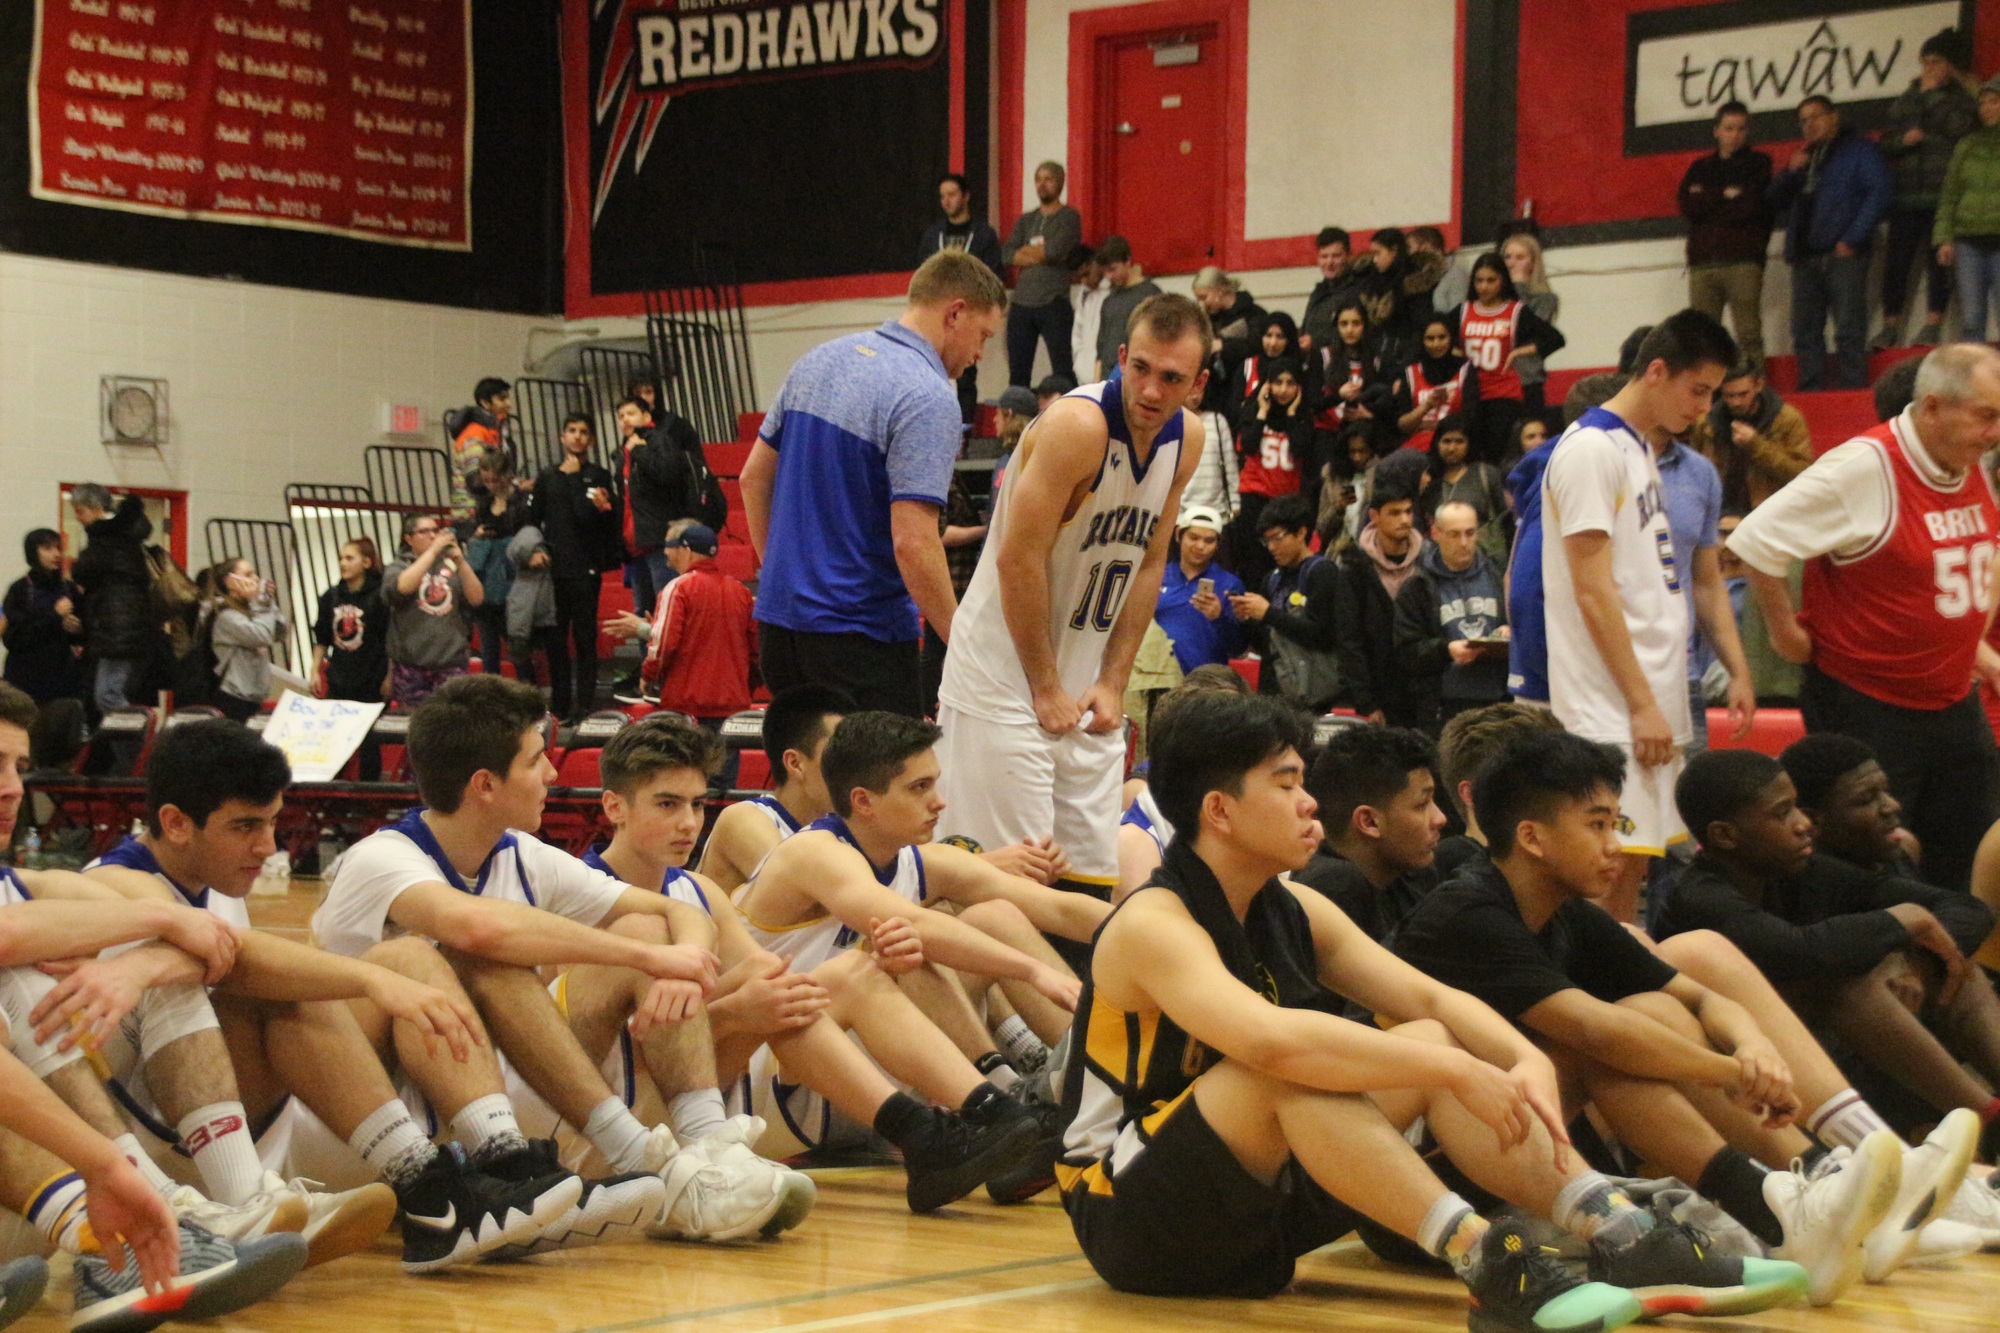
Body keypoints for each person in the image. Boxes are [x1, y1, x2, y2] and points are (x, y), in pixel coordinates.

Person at [1060, 692, 1802, 1322]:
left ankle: (1623, 1232)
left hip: (1256, 1205)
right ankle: (1488, 1262)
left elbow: (1432, 996)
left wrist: (1518, 1060)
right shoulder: (1156, 923)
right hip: (1129, 1211)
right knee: (1294, 1067)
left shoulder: (1295, 908)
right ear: (1220, 811)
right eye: (1287, 785)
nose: (1310, 802)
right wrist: (1451, 1068)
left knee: (1431, 1032)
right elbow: (1273, 1042)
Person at [1390, 730, 1955, 1307]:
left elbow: (1701, 999)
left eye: (1616, 825)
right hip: (1416, 1188)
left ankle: (1807, 1193)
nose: (1615, 846)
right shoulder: (1468, 914)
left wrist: (1752, 1045)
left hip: (1516, 1155)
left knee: (1654, 1007)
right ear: (1532, 837)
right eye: (1597, 825)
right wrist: (1732, 1073)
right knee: (1602, 1042)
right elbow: (1592, 1030)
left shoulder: (1564, 911)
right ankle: (1785, 1205)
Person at [68, 716, 592, 1270]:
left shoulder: (213, 880)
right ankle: (425, 1184)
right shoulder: (116, 884)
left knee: (407, 959)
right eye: (245, 826)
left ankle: (490, 1164)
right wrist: (371, 981)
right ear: (175, 823)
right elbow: (240, 958)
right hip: (161, 1146)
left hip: (254, 1116)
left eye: (273, 822)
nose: (268, 846)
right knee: (286, 984)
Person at [312, 674, 808, 1245]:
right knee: (477, 956)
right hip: (360, 1112)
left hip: (485, 1100)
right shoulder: (380, 858)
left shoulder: (522, 854)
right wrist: (651, 956)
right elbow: (480, 928)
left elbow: (674, 909)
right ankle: (644, 1159)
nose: (553, 773)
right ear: (485, 785)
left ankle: (706, 1150)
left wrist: (681, 958)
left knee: (645, 926)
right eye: (536, 760)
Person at [587, 715, 1051, 1210]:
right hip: (625, 1119)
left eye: (697, 804)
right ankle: (975, 1111)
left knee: (849, 971)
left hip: (731, 1091)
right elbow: (594, 1049)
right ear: (615, 807)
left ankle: (976, 1118)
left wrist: (754, 999)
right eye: (668, 804)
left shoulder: (698, 891)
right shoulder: (577, 895)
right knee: (835, 975)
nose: (688, 822)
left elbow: (764, 976)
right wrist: (737, 1009)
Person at [736, 712, 1098, 1182]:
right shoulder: (814, 852)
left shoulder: (917, 860)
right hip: (772, 1081)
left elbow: (1061, 909)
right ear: (863, 801)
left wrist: (1164, 928)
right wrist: (1032, 969)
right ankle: (1004, 1094)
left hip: (864, 1076)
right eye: (919, 788)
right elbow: (916, 922)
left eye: (935, 783)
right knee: (903, 942)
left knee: (992, 917)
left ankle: (1092, 1077)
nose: (939, 801)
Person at [937, 294, 1207, 907]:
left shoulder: (1185, 440)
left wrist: (1114, 680)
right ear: (1121, 357)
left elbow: (1150, 562)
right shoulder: (1078, 427)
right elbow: (1017, 559)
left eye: (1171, 378)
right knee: (1007, 895)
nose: (1151, 390)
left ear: (1198, 384)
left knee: (1089, 888)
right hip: (1004, 680)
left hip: (1082, 688)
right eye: (1140, 368)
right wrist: (1043, 686)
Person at [1727, 344, 2000, 892]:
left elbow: (1965, 560)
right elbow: (1756, 540)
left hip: (1952, 698)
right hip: (1869, 703)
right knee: (1872, 871)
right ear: (1932, 407)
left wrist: (1974, 647)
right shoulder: (1863, 467)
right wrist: (1786, 634)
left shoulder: (1966, 460)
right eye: (1986, 415)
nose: (1996, 432)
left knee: (1973, 858)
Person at [1660, 749, 2000, 1160]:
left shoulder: (1804, 871)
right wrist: (1902, 922)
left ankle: (1989, 1118)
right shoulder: (1700, 897)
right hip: (1755, 1082)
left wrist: (1909, 961)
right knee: (1845, 986)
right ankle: (1988, 1122)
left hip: (1842, 1058)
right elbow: (1800, 952)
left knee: (1953, 967)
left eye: (1797, 807)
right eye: (1783, 813)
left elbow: (1966, 909)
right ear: (1725, 836)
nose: (1804, 824)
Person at [1541, 312, 1753, 919]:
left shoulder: (1637, 446)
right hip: (1612, 708)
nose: (1705, 408)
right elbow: (1592, 591)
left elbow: (1672, 581)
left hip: (1655, 696)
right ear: (1656, 371)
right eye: (1698, 390)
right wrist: (1639, 703)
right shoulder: (1589, 451)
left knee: (1633, 875)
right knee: (1603, 882)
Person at [742, 251, 1006, 718]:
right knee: (889, 769)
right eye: (983, 335)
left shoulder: (817, 360)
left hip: (780, 631)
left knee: (805, 768)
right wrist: (964, 644)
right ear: (955, 313)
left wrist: (784, 581)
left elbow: (752, 479)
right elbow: (913, 541)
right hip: (861, 638)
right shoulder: (927, 396)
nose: (980, 353)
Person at [605, 523, 755, 773]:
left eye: (669, 546)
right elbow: (754, 650)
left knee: (687, 778)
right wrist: (742, 686)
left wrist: (648, 675)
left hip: (688, 706)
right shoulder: (740, 591)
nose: (665, 552)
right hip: (730, 706)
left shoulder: (678, 588)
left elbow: (665, 643)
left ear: (686, 549)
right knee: (723, 785)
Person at [1769, 97, 1893, 390]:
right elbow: (1773, 200)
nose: (1810, 124)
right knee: (1804, 330)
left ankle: (1853, 390)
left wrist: (1853, 237)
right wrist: (1791, 171)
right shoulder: (1805, 157)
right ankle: (1811, 392)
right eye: (1804, 120)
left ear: (1834, 117)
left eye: (1816, 116)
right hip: (1805, 256)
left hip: (1843, 254)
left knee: (1849, 328)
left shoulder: (1860, 150)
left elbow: (1880, 191)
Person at [1293, 726, 1445, 943]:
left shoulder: (1409, 878)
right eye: (1422, 804)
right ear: (1369, 821)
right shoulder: (1334, 886)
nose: (1440, 818)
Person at [697, 685, 853, 893]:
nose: (855, 768)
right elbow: (808, 895)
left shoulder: (838, 826)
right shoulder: (744, 820)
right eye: (839, 755)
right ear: (795, 764)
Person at [1878, 32, 1979, 349]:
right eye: (1925, 62)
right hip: (1907, 194)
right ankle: (1890, 325)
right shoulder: (1908, 96)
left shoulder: (1964, 97)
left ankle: (1933, 324)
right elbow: (1887, 140)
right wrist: (1902, 140)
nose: (1928, 69)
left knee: (1940, 264)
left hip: (1942, 194)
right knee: (1896, 263)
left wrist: (1934, 97)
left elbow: (1960, 129)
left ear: (1950, 65)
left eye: (1935, 62)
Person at [1651, 415, 1741, 755]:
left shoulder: (1700, 472)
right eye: (1697, 392)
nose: (1704, 409)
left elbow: (1707, 582)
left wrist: (1737, 671)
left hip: (1681, 677)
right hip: (1609, 679)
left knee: (1689, 787)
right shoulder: (1598, 460)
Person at [528, 412, 619, 722]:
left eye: (583, 431)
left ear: (590, 439)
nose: (577, 436)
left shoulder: (598, 475)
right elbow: (532, 520)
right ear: (562, 437)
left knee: (584, 638)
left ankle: (585, 705)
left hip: (585, 568)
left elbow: (588, 516)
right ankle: (560, 705)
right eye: (572, 430)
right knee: (555, 641)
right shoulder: (547, 476)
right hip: (554, 570)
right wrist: (535, 549)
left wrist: (575, 478)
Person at [1395, 500, 1510, 730]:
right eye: (1454, 534)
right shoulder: (1417, 587)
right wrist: (1446, 650)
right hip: (1444, 707)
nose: (1464, 542)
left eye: (1470, 533)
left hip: (1498, 701)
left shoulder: (1498, 574)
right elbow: (1406, 651)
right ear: (1436, 533)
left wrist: (1510, 629)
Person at [1678, 101, 1776, 369]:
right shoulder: (1699, 167)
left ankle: (1756, 388)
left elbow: (1750, 207)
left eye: (1741, 129)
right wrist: (1726, 195)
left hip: (1743, 260)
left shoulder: (1759, 164)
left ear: (1748, 132)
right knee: (1703, 340)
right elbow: (1688, 206)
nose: (1735, 135)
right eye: (1729, 128)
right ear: (1717, 131)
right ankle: (1709, 391)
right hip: (1703, 262)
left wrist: (1708, 197)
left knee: (1748, 333)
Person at [1229, 495, 1340, 714]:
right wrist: (1246, 619)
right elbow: (1264, 645)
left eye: (1277, 538)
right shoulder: (1272, 579)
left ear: (1301, 532)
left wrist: (1268, 613)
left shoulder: (1322, 572)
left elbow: (1321, 635)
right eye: (1266, 541)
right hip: (1275, 691)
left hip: (1312, 693)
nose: (1271, 547)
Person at [1450, 254, 1566, 464]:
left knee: (1497, 452)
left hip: (1503, 393)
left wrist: (1518, 352)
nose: (1484, 286)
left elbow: (1554, 338)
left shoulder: (1515, 311)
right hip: (1469, 392)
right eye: (1479, 280)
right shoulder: (1463, 311)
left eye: (1491, 280)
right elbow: (1435, 335)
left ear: (1502, 280)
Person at [1330, 478, 1427, 727]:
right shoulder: (1354, 568)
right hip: (1379, 694)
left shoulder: (1428, 561)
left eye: (1408, 511)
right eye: (1394, 513)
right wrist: (1366, 702)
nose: (1404, 520)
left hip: (1425, 693)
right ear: (1374, 516)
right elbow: (1349, 639)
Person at [613, 394, 711, 621]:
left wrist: (639, 451)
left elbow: (668, 474)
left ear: (646, 416)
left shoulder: (659, 439)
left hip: (658, 540)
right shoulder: (623, 451)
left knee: (667, 608)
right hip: (635, 543)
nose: (625, 419)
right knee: (643, 613)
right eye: (620, 416)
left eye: (631, 413)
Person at [67, 485, 159, 716]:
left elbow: (82, 571)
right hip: (128, 626)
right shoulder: (126, 536)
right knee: (110, 694)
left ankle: (143, 732)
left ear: (95, 508)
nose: (78, 517)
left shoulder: (106, 537)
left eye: (80, 511)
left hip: (117, 629)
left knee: (108, 695)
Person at [919, 173, 1003, 420]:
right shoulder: (933, 235)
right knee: (931, 370)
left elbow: (993, 274)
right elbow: (923, 272)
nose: (946, 201)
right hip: (938, 312)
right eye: (942, 196)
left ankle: (964, 429)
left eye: (952, 194)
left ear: (966, 197)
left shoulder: (984, 234)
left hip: (968, 312)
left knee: (966, 373)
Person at [381, 512, 482, 712]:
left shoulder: (451, 566)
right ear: (408, 538)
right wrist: (433, 552)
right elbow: (402, 588)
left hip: (450, 660)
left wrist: (461, 562)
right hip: (412, 664)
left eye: (435, 530)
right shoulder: (399, 566)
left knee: (452, 720)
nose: (432, 536)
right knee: (416, 723)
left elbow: (477, 598)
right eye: (424, 531)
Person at [1229, 354, 1311, 585]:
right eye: (1278, 382)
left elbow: (1300, 449)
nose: (1283, 390)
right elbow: (1248, 445)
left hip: (1287, 503)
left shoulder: (1303, 417)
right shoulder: (1253, 410)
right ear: (1267, 384)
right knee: (1253, 566)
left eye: (1290, 383)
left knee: (1285, 566)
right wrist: (1262, 412)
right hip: (1254, 498)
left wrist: (1292, 414)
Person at [1688, 363, 1812, 513]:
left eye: (1743, 394)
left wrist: (1756, 444)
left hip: (1770, 510)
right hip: (1719, 510)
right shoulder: (1706, 423)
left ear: (1758, 385)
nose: (1736, 402)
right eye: (1729, 395)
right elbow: (1691, 472)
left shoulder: (1786, 419)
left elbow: (1803, 474)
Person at [1000, 161, 1082, 387]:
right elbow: (1007, 254)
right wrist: (1040, 254)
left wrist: (1027, 252)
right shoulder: (1026, 220)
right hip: (1021, 303)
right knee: (1018, 374)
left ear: (1060, 183)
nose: (1042, 184)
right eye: (1038, 179)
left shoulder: (1069, 217)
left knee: (1063, 370)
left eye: (1048, 179)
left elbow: (1055, 251)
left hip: (1053, 302)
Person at [1935, 74, 2000, 344]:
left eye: (1994, 101)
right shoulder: (1967, 144)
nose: (1986, 108)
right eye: (1982, 103)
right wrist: (1944, 238)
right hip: (1968, 242)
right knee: (1972, 319)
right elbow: (1949, 195)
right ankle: (1975, 370)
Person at [1152, 505, 1245, 674]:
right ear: (1178, 535)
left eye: (1209, 541)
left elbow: (1238, 647)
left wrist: (1219, 618)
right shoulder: (1156, 577)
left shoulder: (1230, 585)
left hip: (1207, 680)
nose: (1200, 546)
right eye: (1193, 537)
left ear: (1218, 545)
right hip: (1155, 677)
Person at [462, 453, 526, 674]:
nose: (491, 485)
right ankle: (492, 691)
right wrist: (478, 534)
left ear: (507, 475)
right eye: (486, 480)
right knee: (489, 649)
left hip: (512, 578)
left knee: (517, 649)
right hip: (487, 580)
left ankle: (527, 690)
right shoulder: (484, 503)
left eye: (495, 479)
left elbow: (526, 535)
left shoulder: (521, 501)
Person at [2, 529, 82, 706]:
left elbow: (83, 634)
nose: (56, 554)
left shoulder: (69, 588)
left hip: (62, 678)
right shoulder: (20, 590)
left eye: (58, 548)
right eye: (48, 548)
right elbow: (14, 639)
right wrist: (55, 615)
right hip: (25, 678)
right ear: (33, 552)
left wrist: (77, 629)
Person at [204, 558, 286, 724]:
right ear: (230, 581)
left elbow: (280, 632)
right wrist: (260, 603)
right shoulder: (225, 616)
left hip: (254, 697)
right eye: (248, 575)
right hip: (233, 697)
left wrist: (267, 602)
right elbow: (262, 635)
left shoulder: (253, 609)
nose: (256, 579)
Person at [310, 537, 387, 710]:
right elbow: (322, 637)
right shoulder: (331, 596)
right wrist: (315, 671)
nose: (343, 563)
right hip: (339, 679)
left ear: (366, 562)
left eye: (349, 558)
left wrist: (389, 677)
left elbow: (389, 640)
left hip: (371, 681)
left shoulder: (379, 597)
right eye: (341, 558)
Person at [1420, 416, 1508, 563]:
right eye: (1446, 441)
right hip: (1442, 561)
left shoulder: (1485, 474)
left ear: (1469, 444)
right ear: (1437, 443)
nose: (1452, 448)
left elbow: (1504, 516)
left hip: (1486, 560)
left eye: (1459, 441)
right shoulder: (1429, 480)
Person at [1394, 314, 1477, 453]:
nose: (1436, 344)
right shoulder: (1410, 372)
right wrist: (1426, 406)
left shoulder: (1465, 370)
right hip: (1416, 448)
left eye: (1442, 337)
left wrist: (1433, 425)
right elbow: (1403, 425)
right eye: (1430, 339)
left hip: (1452, 446)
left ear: (1451, 338)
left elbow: (1471, 418)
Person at [1500, 234, 1560, 412]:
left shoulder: (1545, 299)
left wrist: (1518, 286)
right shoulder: (1493, 298)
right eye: (1507, 257)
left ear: (1533, 263)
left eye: (1519, 257)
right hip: (1495, 379)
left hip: (1526, 379)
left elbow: (1526, 329)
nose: (1511, 263)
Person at [1091, 236, 1162, 383]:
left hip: (1135, 375)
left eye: (1112, 269)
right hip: (1108, 377)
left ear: (1128, 261)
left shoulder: (1151, 295)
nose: (1108, 276)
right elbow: (1101, 349)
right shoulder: (1108, 301)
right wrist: (1097, 383)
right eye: (1105, 272)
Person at [448, 378, 512, 524]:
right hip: (471, 514)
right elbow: (476, 482)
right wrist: (513, 485)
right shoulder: (474, 434)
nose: (509, 404)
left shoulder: (496, 432)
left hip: (486, 510)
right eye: (502, 399)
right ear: (485, 403)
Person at [1298, 226, 1365, 351]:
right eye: (1324, 256)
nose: (1329, 262)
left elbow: (1356, 335)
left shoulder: (1358, 291)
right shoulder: (1318, 293)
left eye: (1336, 256)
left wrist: (1315, 343)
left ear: (1348, 256)